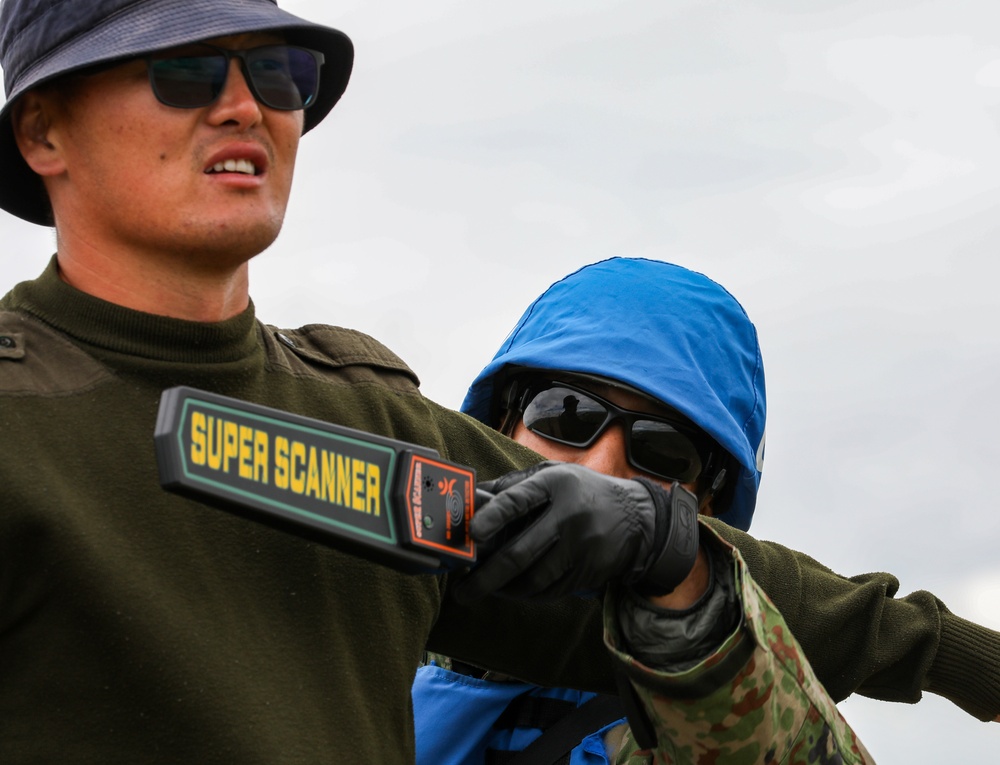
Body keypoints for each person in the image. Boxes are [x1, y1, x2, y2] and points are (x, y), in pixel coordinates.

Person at [0, 2, 726, 762]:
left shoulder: (375, 423)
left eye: (279, 73)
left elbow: (777, 621)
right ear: (43, 131)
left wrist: (677, 550)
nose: (247, 106)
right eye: (185, 71)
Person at [414, 256, 1000, 763]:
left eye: (662, 451)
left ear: (708, 500)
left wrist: (683, 594)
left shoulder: (728, 714)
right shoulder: (378, 626)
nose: (599, 468)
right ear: (499, 423)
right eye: (565, 415)